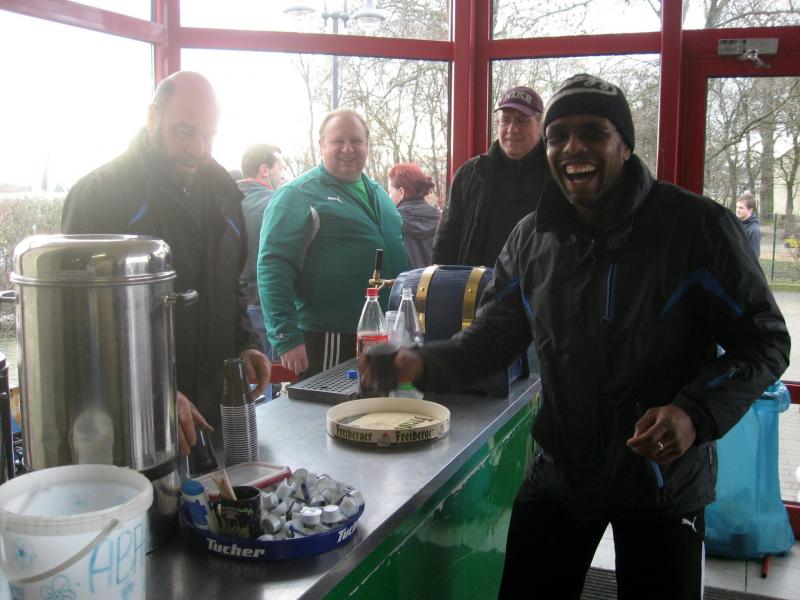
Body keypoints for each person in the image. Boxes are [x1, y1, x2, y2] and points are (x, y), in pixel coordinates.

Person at [360, 74, 790, 599]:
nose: (572, 148)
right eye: (558, 135)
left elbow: (765, 341)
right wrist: (418, 362)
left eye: (593, 132)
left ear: (625, 144)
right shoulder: (531, 238)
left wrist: (693, 413)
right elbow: (493, 341)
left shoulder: (696, 228)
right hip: (562, 469)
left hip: (662, 479)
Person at [61, 71, 270, 454]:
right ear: (153, 117)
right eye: (185, 131)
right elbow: (78, 325)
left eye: (208, 135)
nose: (198, 148)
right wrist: (151, 394)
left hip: (210, 423)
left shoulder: (224, 195)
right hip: (129, 431)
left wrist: (245, 343)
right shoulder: (100, 195)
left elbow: (231, 288)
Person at [258, 108, 407, 378]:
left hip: (381, 333)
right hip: (328, 336)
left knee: (376, 405)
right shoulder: (297, 195)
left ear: (367, 145)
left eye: (356, 141)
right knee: (332, 405)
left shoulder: (379, 194)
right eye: (338, 141)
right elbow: (273, 266)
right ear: (322, 145)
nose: (348, 149)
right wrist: (286, 337)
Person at [431, 85, 550, 267]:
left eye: (522, 121)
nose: (512, 129)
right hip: (478, 283)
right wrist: (439, 281)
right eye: (505, 120)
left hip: (540, 283)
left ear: (540, 126)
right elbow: (445, 244)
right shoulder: (470, 174)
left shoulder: (556, 175)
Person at [238, 144, 285, 398]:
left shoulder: (223, 203)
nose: (282, 175)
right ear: (264, 170)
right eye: (281, 168)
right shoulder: (276, 202)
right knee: (265, 383)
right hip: (265, 304)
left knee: (248, 386)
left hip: (233, 307)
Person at [387, 162, 440, 269]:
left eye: (389, 191)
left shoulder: (391, 222)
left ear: (401, 192)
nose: (388, 197)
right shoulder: (440, 219)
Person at [735, 191, 761, 258]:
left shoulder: (754, 230)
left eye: (741, 208)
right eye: (737, 207)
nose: (737, 210)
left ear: (750, 210)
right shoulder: (735, 223)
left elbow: (754, 256)